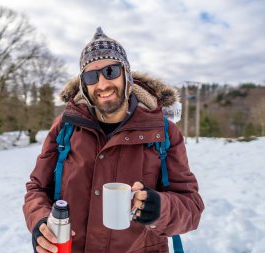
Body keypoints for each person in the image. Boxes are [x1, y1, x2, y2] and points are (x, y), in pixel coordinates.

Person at [23, 27, 204, 253]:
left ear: (126, 74)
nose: (102, 84)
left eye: (111, 71)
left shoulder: (163, 132)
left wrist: (160, 208)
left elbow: (191, 207)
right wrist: (40, 223)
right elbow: (37, 188)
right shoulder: (65, 127)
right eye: (91, 76)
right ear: (84, 85)